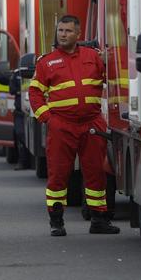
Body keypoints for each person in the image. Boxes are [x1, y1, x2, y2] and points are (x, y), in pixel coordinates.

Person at [28, 15, 119, 237]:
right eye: (60, 31)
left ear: (78, 34)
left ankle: (98, 219)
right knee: (59, 173)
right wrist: (47, 118)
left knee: (96, 172)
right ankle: (56, 221)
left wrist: (109, 59)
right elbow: (35, 92)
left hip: (92, 124)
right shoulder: (46, 62)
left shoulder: (93, 57)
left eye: (68, 31)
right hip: (62, 125)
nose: (63, 34)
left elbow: (112, 79)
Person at [9, 65, 31, 170]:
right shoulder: (17, 74)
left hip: (33, 110)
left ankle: (29, 161)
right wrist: (21, 91)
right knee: (20, 134)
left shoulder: (37, 71)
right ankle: (22, 161)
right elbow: (12, 90)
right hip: (19, 110)